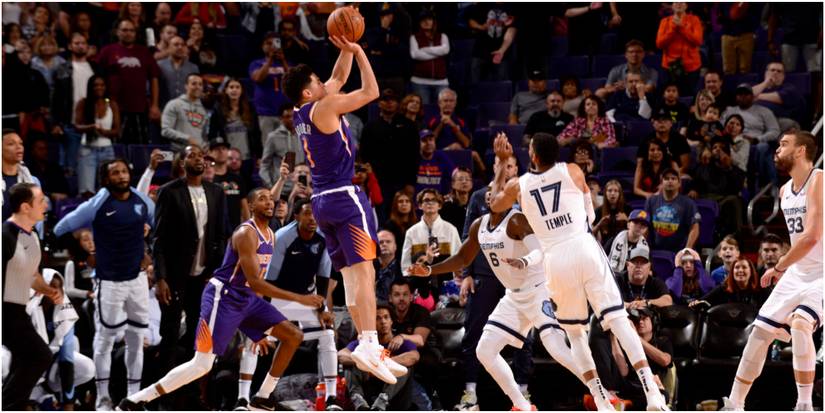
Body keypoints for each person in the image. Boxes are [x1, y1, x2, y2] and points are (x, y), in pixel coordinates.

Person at [489, 132, 670, 410]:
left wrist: (502, 163)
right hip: (583, 246)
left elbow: (494, 205)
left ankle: (599, 397)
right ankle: (652, 393)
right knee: (618, 319)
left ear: (533, 156)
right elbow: (591, 216)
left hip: (554, 259)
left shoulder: (518, 185)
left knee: (575, 333)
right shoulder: (572, 170)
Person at [118, 188, 320, 411]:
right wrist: (300, 298)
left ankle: (262, 396)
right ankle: (137, 400)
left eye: (270, 199)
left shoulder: (270, 234)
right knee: (202, 364)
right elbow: (255, 281)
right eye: (262, 199)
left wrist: (259, 329)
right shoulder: (246, 233)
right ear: (251, 206)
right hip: (223, 297)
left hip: (248, 300)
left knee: (293, 335)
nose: (269, 202)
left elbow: (257, 283)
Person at [282, 35, 402, 384]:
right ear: (309, 91)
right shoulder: (325, 107)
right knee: (365, 272)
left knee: (350, 275)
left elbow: (336, 77)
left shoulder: (302, 109)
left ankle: (366, 345)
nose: (325, 83)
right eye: (317, 82)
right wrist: (363, 52)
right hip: (344, 197)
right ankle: (368, 341)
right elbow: (371, 93)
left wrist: (346, 49)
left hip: (321, 202)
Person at [409, 195, 584, 411]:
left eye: (498, 191)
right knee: (485, 350)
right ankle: (522, 406)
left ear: (509, 200)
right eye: (490, 190)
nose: (491, 194)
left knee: (556, 347)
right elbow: (463, 259)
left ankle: (603, 393)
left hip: (538, 289)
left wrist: (523, 261)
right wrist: (429, 269)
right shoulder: (478, 225)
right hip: (514, 295)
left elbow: (539, 251)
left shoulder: (517, 220)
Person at [722, 131, 822, 411]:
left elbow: (813, 236)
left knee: (802, 325)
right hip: (798, 271)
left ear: (801, 151)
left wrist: (779, 265)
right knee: (759, 332)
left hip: (822, 273)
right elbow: (799, 238)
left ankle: (804, 405)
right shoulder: (783, 191)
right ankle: (735, 403)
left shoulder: (819, 180)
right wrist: (787, 268)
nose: (777, 150)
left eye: (784, 144)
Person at [53, 159, 154, 410]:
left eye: (124, 170)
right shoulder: (98, 204)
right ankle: (103, 397)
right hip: (109, 282)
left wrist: (148, 245)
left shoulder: (142, 201)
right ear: (106, 179)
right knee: (105, 339)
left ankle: (134, 396)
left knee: (135, 338)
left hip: (138, 280)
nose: (121, 175)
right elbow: (60, 228)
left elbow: (159, 224)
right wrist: (82, 256)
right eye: (115, 173)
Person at [233, 198, 340, 410]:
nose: (313, 219)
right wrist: (262, 319)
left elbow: (323, 278)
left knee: (327, 334)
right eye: (308, 213)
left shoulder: (324, 238)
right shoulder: (282, 238)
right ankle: (243, 399)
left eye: (316, 214)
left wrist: (321, 309)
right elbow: (267, 282)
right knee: (254, 340)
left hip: (306, 299)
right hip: (275, 297)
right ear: (296, 216)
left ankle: (331, 399)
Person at [152, 145, 228, 382]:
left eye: (201, 156)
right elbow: (159, 239)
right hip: (175, 274)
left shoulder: (216, 192)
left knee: (199, 335)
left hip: (204, 275)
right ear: (181, 163)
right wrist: (161, 278)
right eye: (191, 155)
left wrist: (217, 274)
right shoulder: (169, 191)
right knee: (170, 333)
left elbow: (222, 235)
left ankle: (192, 390)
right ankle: (162, 394)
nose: (198, 159)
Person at [2, 182, 62, 411]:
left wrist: (49, 291)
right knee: (40, 356)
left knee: (23, 360)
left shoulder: (33, 234)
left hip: (19, 310)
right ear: (26, 207)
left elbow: (32, 274)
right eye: (41, 201)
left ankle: (10, 406)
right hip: (5, 311)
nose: (46, 205)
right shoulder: (5, 236)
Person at [339, 303, 420, 411]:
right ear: (371, 323)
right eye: (378, 318)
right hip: (368, 383)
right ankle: (359, 402)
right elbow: (341, 355)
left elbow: (414, 356)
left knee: (405, 367)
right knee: (352, 363)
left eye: (386, 317)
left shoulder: (401, 342)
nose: (383, 321)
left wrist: (381, 364)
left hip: (392, 391)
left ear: (392, 321)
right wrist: (367, 363)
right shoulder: (364, 342)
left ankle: (382, 401)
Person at [96, 19, 160, 145]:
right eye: (124, 30)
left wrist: (154, 105)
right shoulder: (107, 51)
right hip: (114, 107)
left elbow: (154, 78)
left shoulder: (144, 52)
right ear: (117, 32)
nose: (128, 33)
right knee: (116, 144)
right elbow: (98, 78)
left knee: (140, 144)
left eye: (131, 30)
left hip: (139, 108)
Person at [360, 89, 420, 213]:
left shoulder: (409, 125)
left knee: (402, 213)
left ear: (398, 103)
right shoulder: (370, 127)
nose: (389, 103)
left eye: (392, 100)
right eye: (385, 100)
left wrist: (411, 182)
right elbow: (364, 155)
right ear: (379, 103)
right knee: (380, 213)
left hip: (402, 181)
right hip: (378, 181)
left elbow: (414, 156)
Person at [400, 189, 462, 297]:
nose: (430, 203)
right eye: (426, 200)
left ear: (440, 206)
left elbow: (459, 261)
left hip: (447, 288)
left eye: (434, 200)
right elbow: (406, 267)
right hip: (420, 289)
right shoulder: (411, 232)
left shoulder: (451, 229)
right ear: (420, 205)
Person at [609, 307, 673, 409]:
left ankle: (625, 404)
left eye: (644, 318)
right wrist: (613, 337)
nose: (640, 322)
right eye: (637, 320)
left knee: (660, 396)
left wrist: (636, 338)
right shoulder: (626, 343)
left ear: (653, 321)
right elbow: (623, 372)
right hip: (631, 387)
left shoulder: (662, 341)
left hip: (653, 388)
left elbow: (665, 360)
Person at [51, 32, 96, 176]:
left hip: (92, 124)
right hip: (69, 123)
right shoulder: (63, 69)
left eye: (83, 43)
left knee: (91, 167)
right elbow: (55, 99)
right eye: (77, 43)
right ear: (70, 46)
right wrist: (56, 123)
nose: (80, 46)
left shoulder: (95, 68)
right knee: (69, 167)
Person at [722, 84, 781, 187]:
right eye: (740, 94)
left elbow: (775, 130)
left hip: (755, 143)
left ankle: (769, 185)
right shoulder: (729, 110)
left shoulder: (764, 111)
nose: (743, 96)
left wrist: (757, 139)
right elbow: (721, 127)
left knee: (763, 147)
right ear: (736, 97)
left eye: (746, 94)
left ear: (753, 96)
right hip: (733, 141)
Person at [689, 139, 747, 237]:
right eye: (715, 148)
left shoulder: (735, 170)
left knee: (734, 201)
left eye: (721, 148)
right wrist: (693, 189)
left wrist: (728, 168)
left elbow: (736, 188)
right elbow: (695, 181)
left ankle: (735, 236)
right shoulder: (704, 166)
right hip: (705, 198)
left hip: (723, 199)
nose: (718, 150)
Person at [74, 75, 120, 197]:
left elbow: (116, 130)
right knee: (87, 190)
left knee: (108, 190)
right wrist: (91, 127)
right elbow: (77, 126)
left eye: (101, 85)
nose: (99, 88)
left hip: (107, 150)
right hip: (87, 150)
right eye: (95, 85)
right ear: (90, 87)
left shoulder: (111, 104)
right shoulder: (83, 103)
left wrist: (103, 132)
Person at [644, 168, 700, 253]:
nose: (670, 181)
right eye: (666, 178)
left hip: (679, 252)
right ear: (661, 183)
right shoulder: (651, 201)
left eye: (673, 178)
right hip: (655, 251)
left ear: (679, 183)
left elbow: (694, 228)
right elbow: (645, 226)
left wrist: (687, 250)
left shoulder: (688, 203)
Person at [249, 31, 291, 143]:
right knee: (268, 145)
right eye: (268, 43)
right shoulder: (256, 63)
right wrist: (269, 61)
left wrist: (283, 61)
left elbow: (293, 80)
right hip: (266, 112)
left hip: (285, 113)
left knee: (288, 145)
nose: (272, 46)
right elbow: (258, 78)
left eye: (275, 43)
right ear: (263, 46)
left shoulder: (287, 63)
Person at [655, 3, 703, 96]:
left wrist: (682, 27)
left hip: (691, 67)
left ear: (686, 6)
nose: (679, 4)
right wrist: (673, 28)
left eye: (682, 2)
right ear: (672, 6)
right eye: (676, 2)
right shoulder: (665, 21)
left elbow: (698, 41)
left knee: (688, 95)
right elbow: (659, 44)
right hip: (669, 67)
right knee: (670, 96)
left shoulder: (694, 20)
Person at [209, 78, 262, 161]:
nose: (234, 90)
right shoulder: (218, 110)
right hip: (226, 157)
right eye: (231, 87)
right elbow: (212, 134)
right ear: (226, 90)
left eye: (237, 87)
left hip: (246, 156)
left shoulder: (250, 109)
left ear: (242, 90)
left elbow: (256, 133)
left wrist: (259, 155)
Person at [467, 3, 517, 83]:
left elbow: (511, 31)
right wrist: (481, 27)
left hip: (501, 54)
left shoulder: (512, 7)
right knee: (475, 86)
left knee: (501, 86)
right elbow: (471, 20)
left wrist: (502, 50)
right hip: (480, 51)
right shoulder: (483, 4)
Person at [690, 258, 768, 308]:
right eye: (737, 268)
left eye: (744, 267)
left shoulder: (760, 290)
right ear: (732, 272)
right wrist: (695, 303)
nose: (740, 270)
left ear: (751, 271)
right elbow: (702, 301)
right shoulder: (722, 289)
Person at [409, 9, 450, 105]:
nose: (426, 22)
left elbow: (445, 50)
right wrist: (437, 53)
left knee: (443, 109)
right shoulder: (414, 37)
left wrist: (424, 50)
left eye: (429, 19)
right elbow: (415, 55)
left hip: (441, 82)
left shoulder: (443, 36)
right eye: (423, 20)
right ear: (419, 23)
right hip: (420, 82)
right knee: (423, 111)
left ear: (433, 21)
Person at [752, 61, 806, 133]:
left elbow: (780, 97)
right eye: (772, 70)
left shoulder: (789, 88)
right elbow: (747, 94)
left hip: (779, 121)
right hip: (754, 120)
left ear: (783, 76)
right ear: (766, 73)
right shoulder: (758, 87)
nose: (775, 73)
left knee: (789, 125)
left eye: (779, 71)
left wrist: (755, 97)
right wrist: (766, 82)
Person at [161, 73, 209, 152]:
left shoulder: (204, 110)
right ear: (186, 86)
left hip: (198, 155)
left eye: (200, 84)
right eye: (194, 84)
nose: (198, 87)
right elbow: (165, 131)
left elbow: (204, 136)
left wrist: (205, 146)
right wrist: (187, 138)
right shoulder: (174, 104)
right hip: (178, 153)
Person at [260, 103, 303, 189]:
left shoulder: (304, 134)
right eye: (287, 116)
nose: (291, 119)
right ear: (281, 118)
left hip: (301, 187)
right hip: (281, 188)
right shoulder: (273, 137)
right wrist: (271, 186)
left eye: (293, 116)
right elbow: (264, 165)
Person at [209, 138, 249, 228]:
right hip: (213, 229)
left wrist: (247, 228)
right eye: (217, 149)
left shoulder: (237, 179)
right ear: (210, 153)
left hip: (235, 229)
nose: (221, 151)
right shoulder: (208, 179)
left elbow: (244, 207)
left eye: (224, 149)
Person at [639, 109, 692, 175]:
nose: (662, 123)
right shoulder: (646, 140)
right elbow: (640, 165)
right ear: (653, 123)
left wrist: (668, 177)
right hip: (652, 175)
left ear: (671, 123)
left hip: (676, 175)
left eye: (665, 120)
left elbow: (685, 166)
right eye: (658, 121)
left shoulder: (680, 139)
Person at [157, 35, 199, 109]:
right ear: (168, 48)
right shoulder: (159, 66)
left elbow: (196, 91)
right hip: (164, 108)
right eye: (176, 45)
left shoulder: (193, 68)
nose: (180, 47)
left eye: (182, 45)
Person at [605, 209, 650, 278]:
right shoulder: (614, 240)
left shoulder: (645, 247)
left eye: (643, 225)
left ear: (646, 230)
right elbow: (601, 260)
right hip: (612, 277)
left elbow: (650, 270)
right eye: (636, 222)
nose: (639, 227)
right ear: (628, 224)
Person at [718, 3, 760, 75]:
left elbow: (756, 15)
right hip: (727, 35)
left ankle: (743, 85)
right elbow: (720, 16)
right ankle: (730, 86)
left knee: (745, 69)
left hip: (746, 34)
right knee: (728, 70)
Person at [26, 138, 69, 202]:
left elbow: (65, 188)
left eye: (46, 149)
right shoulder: (28, 169)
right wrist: (50, 195)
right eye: (41, 149)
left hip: (58, 202)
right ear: (33, 151)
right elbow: (28, 191)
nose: (44, 152)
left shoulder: (55, 167)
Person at [414, 129, 455, 196]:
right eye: (424, 141)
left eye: (431, 140)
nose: (428, 143)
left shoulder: (441, 157)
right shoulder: (413, 159)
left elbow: (454, 175)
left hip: (437, 201)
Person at [382, 191, 417, 262]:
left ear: (411, 205)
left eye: (407, 201)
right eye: (400, 201)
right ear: (395, 205)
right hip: (394, 263)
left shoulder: (416, 225)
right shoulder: (389, 225)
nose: (404, 204)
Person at [594, 180, 630, 245]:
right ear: (605, 193)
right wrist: (599, 224)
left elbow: (635, 230)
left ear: (620, 194)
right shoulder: (598, 211)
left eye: (616, 191)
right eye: (610, 190)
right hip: (605, 245)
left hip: (624, 243)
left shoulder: (627, 209)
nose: (612, 193)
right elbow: (591, 234)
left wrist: (627, 220)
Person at [439, 167, 473, 233]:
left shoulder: (475, 205)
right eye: (460, 179)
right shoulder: (445, 207)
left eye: (467, 179)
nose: (464, 182)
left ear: (471, 183)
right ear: (453, 184)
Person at [376, 230, 404, 302]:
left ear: (395, 246)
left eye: (388, 241)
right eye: (381, 242)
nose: (384, 244)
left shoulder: (403, 269)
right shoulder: (369, 268)